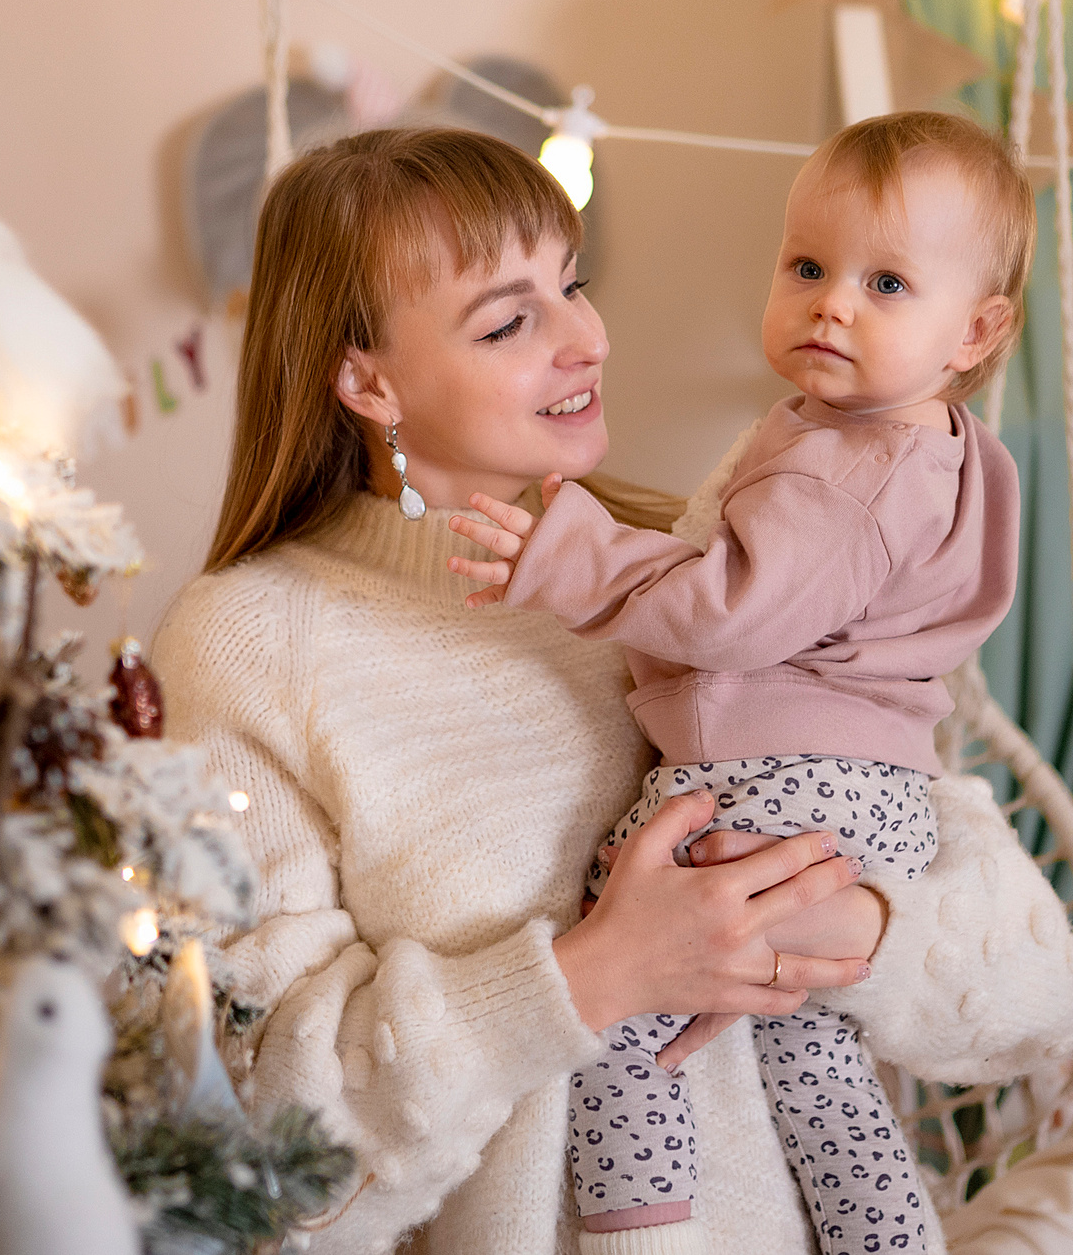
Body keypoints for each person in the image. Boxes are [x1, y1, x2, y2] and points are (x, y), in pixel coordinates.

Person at [160, 126, 950, 1255]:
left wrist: (849, 925)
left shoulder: (693, 564)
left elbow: (1025, 975)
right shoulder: (246, 642)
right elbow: (255, 1135)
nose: (588, 339)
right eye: (508, 321)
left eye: (572, 285)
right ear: (367, 379)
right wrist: (592, 976)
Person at [451, 112, 1033, 1255]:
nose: (831, 304)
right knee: (813, 1055)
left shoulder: (848, 469)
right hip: (872, 789)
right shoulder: (939, 448)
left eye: (885, 283)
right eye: (807, 265)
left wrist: (570, 557)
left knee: (620, 998)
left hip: (779, 776)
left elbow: (730, 611)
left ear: (976, 328)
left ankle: (638, 1232)